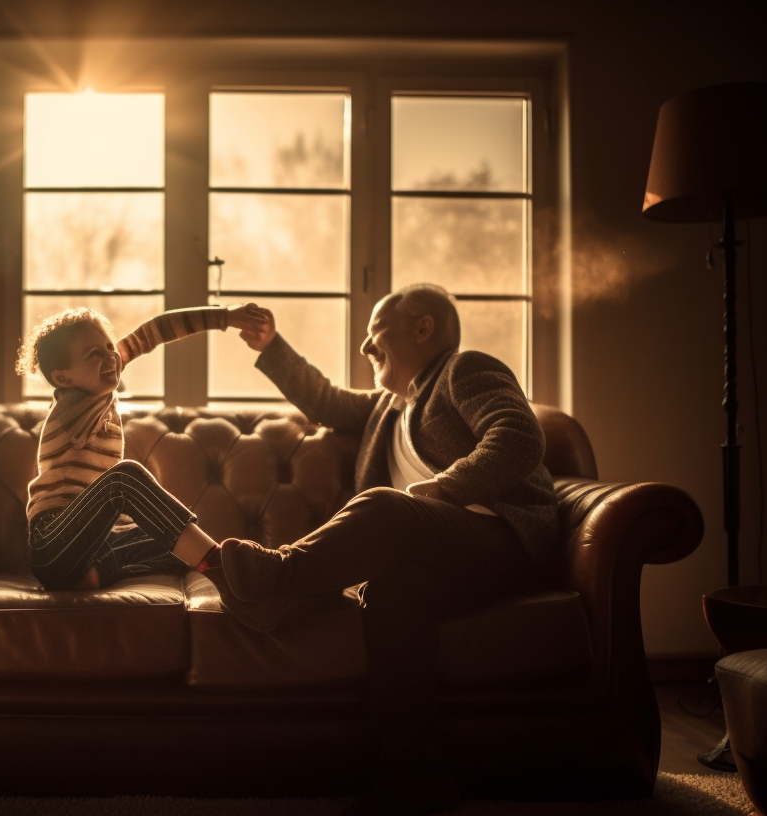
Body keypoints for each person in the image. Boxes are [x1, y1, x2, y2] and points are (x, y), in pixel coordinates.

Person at [204, 283, 560, 815]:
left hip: (497, 540)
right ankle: (414, 774)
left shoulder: (464, 371)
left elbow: (518, 437)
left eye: (376, 334)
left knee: (385, 506)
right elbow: (323, 399)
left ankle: (276, 579)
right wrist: (270, 344)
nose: (366, 349)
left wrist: (445, 488)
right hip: (433, 561)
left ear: (423, 328)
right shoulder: (384, 408)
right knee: (393, 595)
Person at [17, 304, 265, 591]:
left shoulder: (98, 379)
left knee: (180, 543)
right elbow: (150, 334)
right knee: (124, 478)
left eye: (109, 347)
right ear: (63, 379)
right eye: (94, 353)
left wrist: (225, 317)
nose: (112, 356)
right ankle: (222, 569)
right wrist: (225, 318)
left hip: (95, 546)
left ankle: (95, 575)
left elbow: (156, 332)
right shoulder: (71, 406)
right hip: (54, 543)